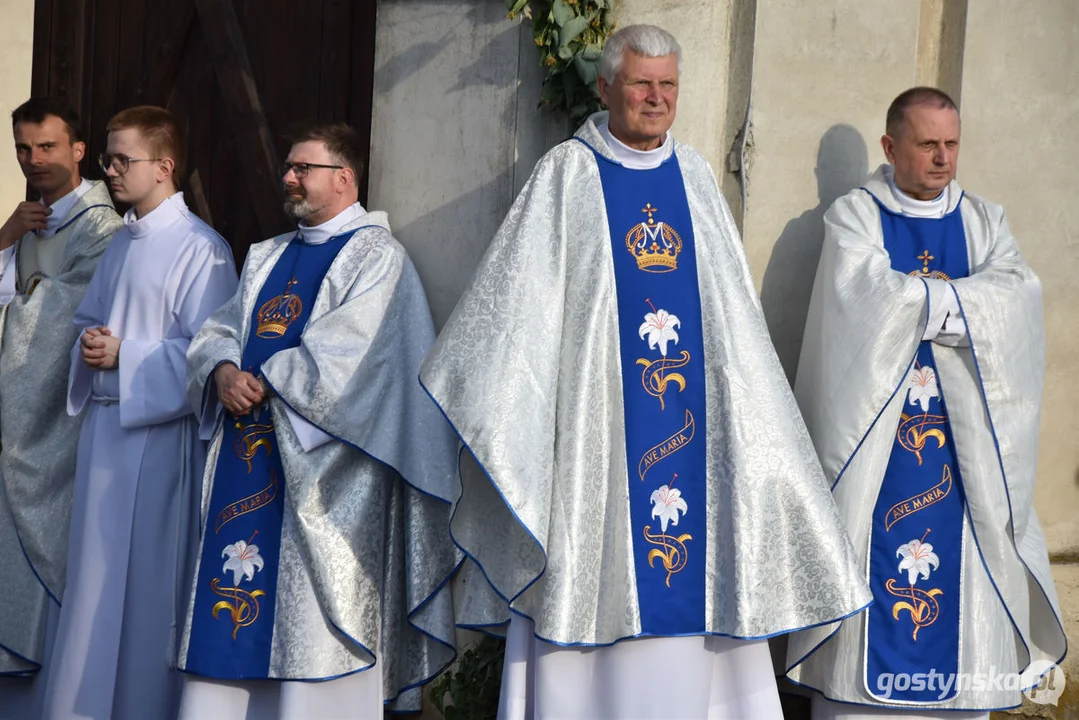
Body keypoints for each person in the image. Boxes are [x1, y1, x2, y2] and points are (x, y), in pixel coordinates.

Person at [420, 24, 871, 720]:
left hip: (696, 447)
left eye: (667, 86)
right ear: (606, 88)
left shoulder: (692, 175)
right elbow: (514, 316)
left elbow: (731, 325)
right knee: (590, 575)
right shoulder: (565, 177)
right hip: (597, 454)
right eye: (641, 85)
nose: (655, 99)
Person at [785, 87, 1067, 718]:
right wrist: (960, 304)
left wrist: (925, 305)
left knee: (967, 582)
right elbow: (863, 300)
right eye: (928, 144)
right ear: (891, 147)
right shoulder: (855, 217)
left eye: (952, 144)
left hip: (967, 465)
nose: (943, 159)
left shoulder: (984, 222)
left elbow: (1017, 298)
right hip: (881, 455)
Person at [176, 122, 460, 718]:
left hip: (324, 480)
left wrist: (267, 378)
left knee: (308, 622)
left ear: (344, 177)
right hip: (245, 456)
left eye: (302, 168)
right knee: (231, 611)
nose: (288, 177)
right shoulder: (266, 255)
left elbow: (360, 360)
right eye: (288, 166)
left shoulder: (380, 259)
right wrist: (224, 371)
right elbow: (220, 330)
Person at [40, 105, 240, 719]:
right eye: (109, 158)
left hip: (158, 446)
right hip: (105, 438)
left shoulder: (203, 250)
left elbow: (210, 356)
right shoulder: (121, 241)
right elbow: (84, 324)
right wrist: (91, 345)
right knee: (94, 587)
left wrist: (128, 355)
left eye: (123, 159)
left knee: (149, 594)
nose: (110, 170)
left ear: (165, 166)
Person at [0, 97, 122, 717]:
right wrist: (7, 238)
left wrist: (20, 301)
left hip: (56, 429)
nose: (33, 160)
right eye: (23, 148)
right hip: (19, 419)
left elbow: (70, 317)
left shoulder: (105, 227)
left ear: (79, 151)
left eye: (47, 147)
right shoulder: (29, 219)